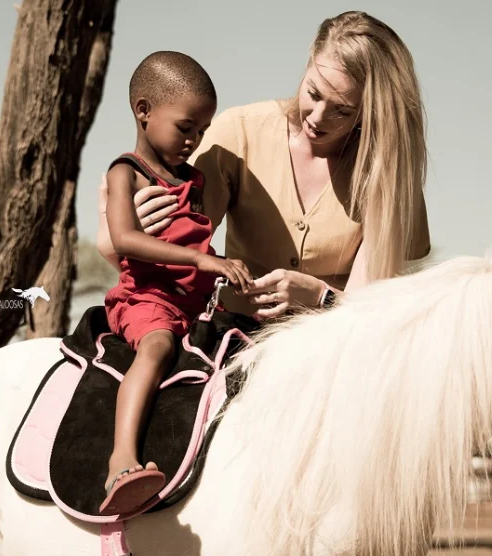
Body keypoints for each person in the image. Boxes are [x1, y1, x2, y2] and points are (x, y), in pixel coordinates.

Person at [97, 10, 431, 319]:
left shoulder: (388, 174)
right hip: (232, 339)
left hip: (332, 357)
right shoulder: (238, 133)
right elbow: (164, 269)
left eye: (341, 110)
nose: (316, 118)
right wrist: (122, 231)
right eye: (313, 93)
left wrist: (319, 296)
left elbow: (370, 313)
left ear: (371, 111)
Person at [98, 51, 252, 515]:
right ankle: (120, 459)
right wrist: (197, 261)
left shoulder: (195, 180)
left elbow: (197, 245)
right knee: (158, 346)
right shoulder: (125, 172)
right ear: (143, 111)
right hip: (147, 298)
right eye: (186, 128)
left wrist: (225, 265)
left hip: (195, 303)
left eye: (202, 132)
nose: (194, 140)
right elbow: (125, 238)